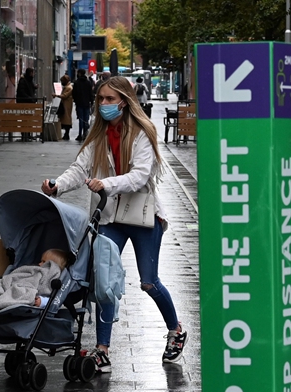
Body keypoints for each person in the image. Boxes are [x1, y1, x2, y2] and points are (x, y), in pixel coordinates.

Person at [40, 76, 187, 373]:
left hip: (143, 217)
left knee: (149, 282)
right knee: (105, 282)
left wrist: (105, 183)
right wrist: (57, 186)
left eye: (110, 99)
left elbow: (141, 175)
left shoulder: (143, 133)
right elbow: (79, 169)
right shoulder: (98, 135)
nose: (104, 104)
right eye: (101, 99)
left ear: (125, 101)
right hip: (109, 217)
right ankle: (103, 349)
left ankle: (176, 330)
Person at [0, 249, 70, 312]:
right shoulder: (36, 270)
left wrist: (42, 301)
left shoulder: (53, 276)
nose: (40, 264)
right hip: (19, 282)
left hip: (29, 291)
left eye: (44, 262)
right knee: (1, 284)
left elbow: (55, 299)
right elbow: (21, 274)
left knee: (13, 291)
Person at [16, 67, 38, 141]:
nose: (33, 74)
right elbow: (22, 92)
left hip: (29, 103)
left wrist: (34, 87)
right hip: (24, 103)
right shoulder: (23, 80)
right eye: (32, 73)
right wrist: (30, 98)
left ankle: (27, 133)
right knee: (24, 118)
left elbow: (29, 88)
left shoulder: (29, 80)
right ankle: (24, 134)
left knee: (28, 119)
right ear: (29, 73)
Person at [72, 68, 94, 141]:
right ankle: (85, 133)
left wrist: (75, 100)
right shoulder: (88, 83)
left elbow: (74, 93)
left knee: (80, 119)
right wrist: (91, 101)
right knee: (86, 119)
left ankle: (80, 134)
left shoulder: (76, 82)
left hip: (79, 103)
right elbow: (91, 93)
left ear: (79, 73)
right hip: (87, 103)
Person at [57, 74, 74, 141]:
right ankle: (66, 133)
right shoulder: (67, 87)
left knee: (66, 118)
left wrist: (56, 95)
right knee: (64, 117)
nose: (61, 83)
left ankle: (67, 133)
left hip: (66, 105)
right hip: (65, 104)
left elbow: (64, 95)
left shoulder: (69, 88)